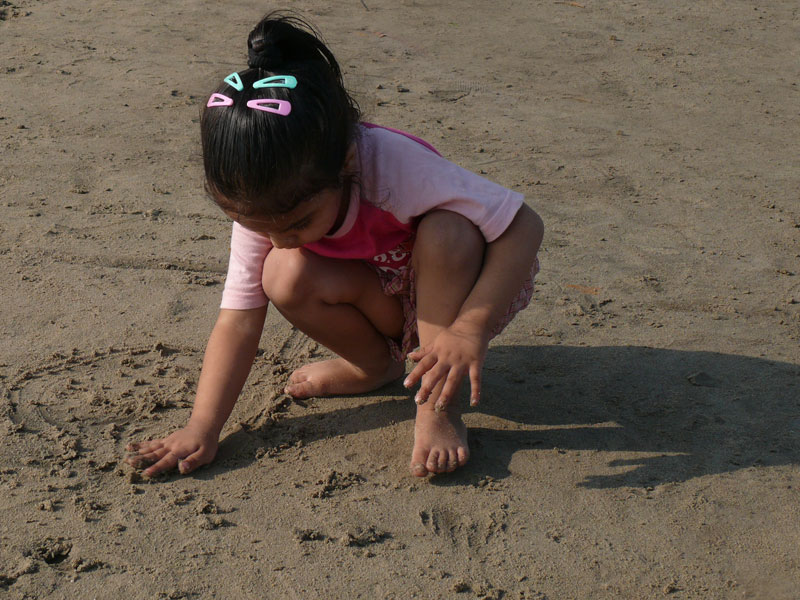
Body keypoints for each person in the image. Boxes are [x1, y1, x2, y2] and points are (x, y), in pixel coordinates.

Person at [125, 12, 543, 479]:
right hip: (389, 298)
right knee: (283, 272)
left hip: (456, 295)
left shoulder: (390, 164)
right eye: (257, 225)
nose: (279, 237)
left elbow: (523, 225)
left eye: (299, 221)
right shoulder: (262, 197)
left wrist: (471, 328)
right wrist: (202, 425)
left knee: (449, 230)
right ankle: (374, 368)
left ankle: (436, 410)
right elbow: (238, 321)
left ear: (345, 162)